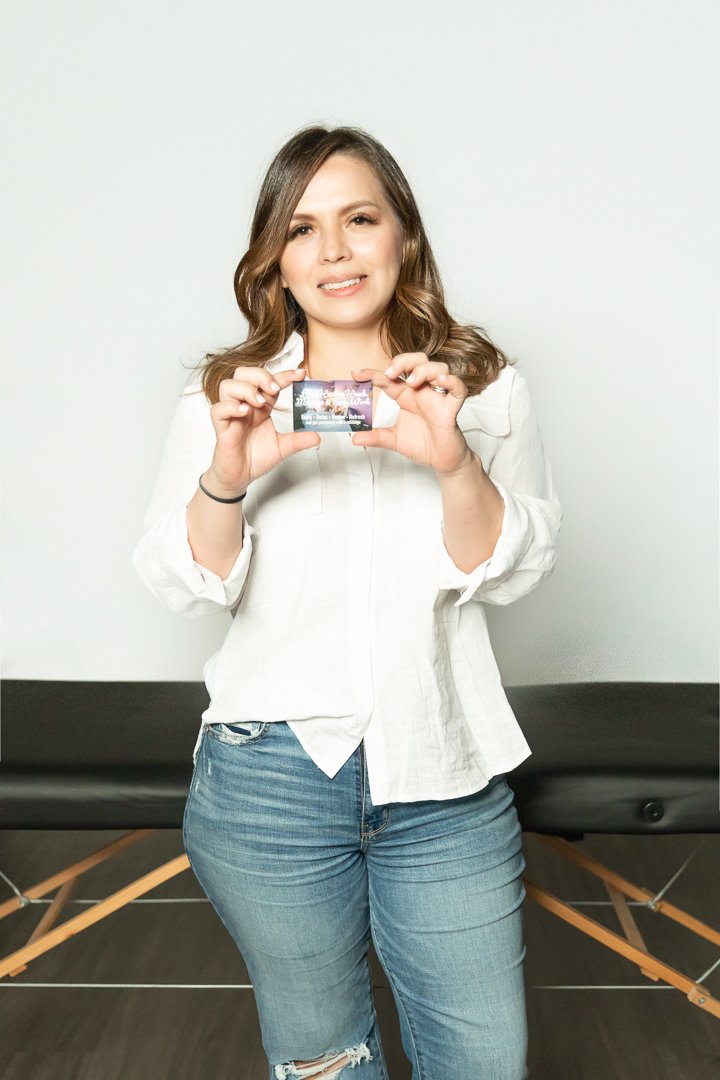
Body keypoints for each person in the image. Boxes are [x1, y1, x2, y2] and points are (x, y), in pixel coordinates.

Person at [132, 124, 562, 1080]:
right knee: (325, 1060)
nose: (333, 252)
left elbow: (516, 567)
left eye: (359, 220)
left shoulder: (485, 393)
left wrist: (453, 463)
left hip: (445, 772)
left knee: (485, 1062)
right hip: (269, 778)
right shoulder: (225, 403)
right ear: (274, 261)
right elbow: (183, 582)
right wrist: (230, 477)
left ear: (402, 236)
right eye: (302, 229)